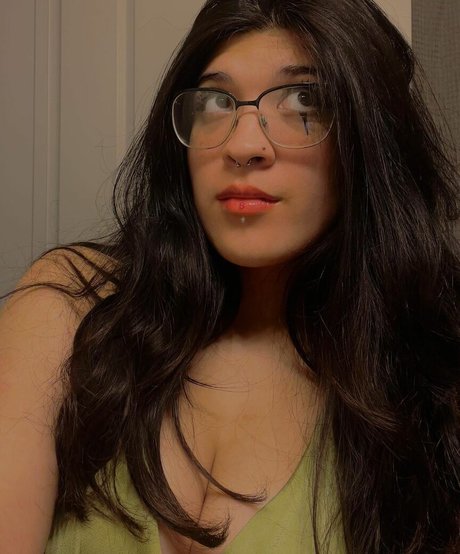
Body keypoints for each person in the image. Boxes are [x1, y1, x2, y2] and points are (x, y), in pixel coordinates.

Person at [0, 0, 458, 552]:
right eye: (216, 102)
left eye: (304, 101)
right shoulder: (70, 307)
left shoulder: (431, 381)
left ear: (370, 136)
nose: (242, 146)